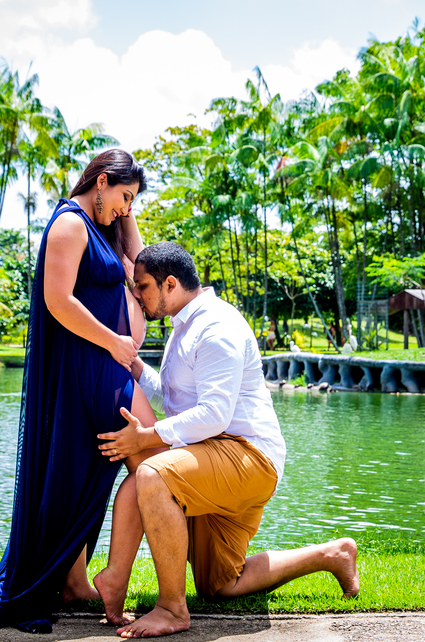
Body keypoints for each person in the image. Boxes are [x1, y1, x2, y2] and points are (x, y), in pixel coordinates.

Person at [0, 149, 159, 633]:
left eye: (132, 201)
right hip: (92, 366)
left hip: (103, 365)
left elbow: (139, 264)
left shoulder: (101, 224)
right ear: (101, 180)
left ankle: (75, 582)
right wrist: (114, 341)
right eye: (124, 196)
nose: (126, 208)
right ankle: (124, 581)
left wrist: (126, 208)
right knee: (154, 460)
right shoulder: (71, 225)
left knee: (78, 469)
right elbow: (57, 301)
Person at [96, 242, 359, 639]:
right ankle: (332, 554)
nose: (137, 294)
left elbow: (214, 414)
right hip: (212, 456)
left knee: (152, 474)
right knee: (220, 583)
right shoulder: (185, 326)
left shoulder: (217, 326)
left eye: (143, 285)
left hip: (247, 456)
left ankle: (171, 608)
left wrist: (146, 437)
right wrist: (135, 368)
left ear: (170, 284)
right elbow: (177, 398)